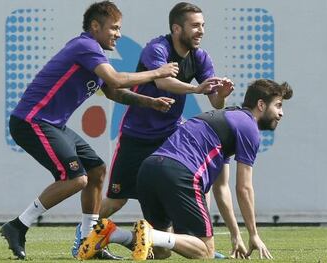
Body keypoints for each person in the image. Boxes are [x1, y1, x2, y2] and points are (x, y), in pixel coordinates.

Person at [0, 1, 179, 260]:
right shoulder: (85, 46)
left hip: (53, 124)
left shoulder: (94, 53)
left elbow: (114, 91)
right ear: (95, 26)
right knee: (76, 178)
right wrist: (157, 72)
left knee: (96, 170)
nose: (118, 34)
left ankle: (88, 240)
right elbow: (116, 79)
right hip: (32, 121)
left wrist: (149, 102)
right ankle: (18, 225)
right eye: (114, 28)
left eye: (119, 29)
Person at [77, 79, 293, 260]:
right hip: (179, 174)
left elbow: (222, 188)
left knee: (161, 251)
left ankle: (112, 233)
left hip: (149, 170)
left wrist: (236, 235)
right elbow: (244, 188)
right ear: (261, 105)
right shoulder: (248, 127)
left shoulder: (228, 121)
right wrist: (254, 234)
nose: (281, 113)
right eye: (279, 105)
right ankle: (149, 234)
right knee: (205, 250)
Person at [98, 1, 233, 224]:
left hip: (170, 137)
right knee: (116, 200)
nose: (201, 31)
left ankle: (199, 239)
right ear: (177, 28)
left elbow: (216, 102)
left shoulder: (200, 57)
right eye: (195, 26)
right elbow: (163, 82)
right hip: (137, 135)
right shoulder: (157, 48)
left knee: (195, 182)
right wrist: (195, 88)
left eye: (203, 25)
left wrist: (222, 94)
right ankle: (84, 233)